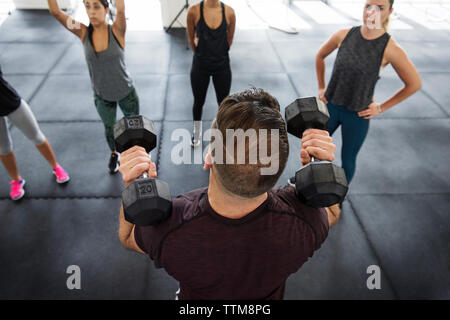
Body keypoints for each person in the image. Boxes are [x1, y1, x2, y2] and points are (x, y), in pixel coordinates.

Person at [117, 88, 341, 300]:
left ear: (209, 158)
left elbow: (128, 237)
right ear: (278, 170)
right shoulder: (306, 223)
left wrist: (133, 183)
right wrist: (321, 165)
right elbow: (331, 213)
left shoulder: (169, 229)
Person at [290, 0, 421, 187]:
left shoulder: (390, 49)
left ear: (389, 12)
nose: (372, 12)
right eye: (369, 6)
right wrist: (321, 86)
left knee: (348, 160)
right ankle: (305, 185)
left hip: (358, 114)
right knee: (312, 150)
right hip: (331, 107)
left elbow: (414, 84)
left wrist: (381, 107)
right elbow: (320, 56)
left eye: (380, 8)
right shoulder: (344, 35)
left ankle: (337, 199)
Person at [47, 0, 139, 173]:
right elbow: (56, 12)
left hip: (126, 93)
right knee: (109, 129)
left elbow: (120, 9)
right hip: (102, 95)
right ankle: (114, 153)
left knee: (133, 128)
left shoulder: (117, 30)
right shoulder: (82, 31)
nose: (91, 11)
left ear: (105, 10)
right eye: (87, 6)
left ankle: (135, 157)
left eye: (96, 6)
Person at [0, 67, 69, 201]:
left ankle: (56, 167)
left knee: (37, 137)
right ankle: (16, 180)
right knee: (4, 148)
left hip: (11, 103)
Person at [186, 0, 236, 147]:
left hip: (222, 65)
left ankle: (221, 134)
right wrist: (203, 54)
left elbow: (229, 41)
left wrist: (217, 53)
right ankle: (196, 132)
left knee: (223, 103)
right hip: (201, 65)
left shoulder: (229, 12)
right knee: (198, 102)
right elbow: (191, 40)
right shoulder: (193, 11)